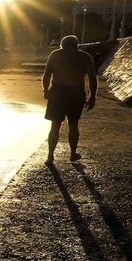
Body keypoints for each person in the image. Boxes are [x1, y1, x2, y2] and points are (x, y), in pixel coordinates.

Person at [42, 34, 97, 165]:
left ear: (62, 44)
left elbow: (47, 75)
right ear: (76, 44)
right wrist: (92, 96)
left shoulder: (55, 54)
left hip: (58, 92)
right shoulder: (85, 56)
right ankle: (72, 154)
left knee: (55, 125)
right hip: (76, 93)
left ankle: (50, 156)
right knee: (73, 124)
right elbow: (92, 78)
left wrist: (46, 90)